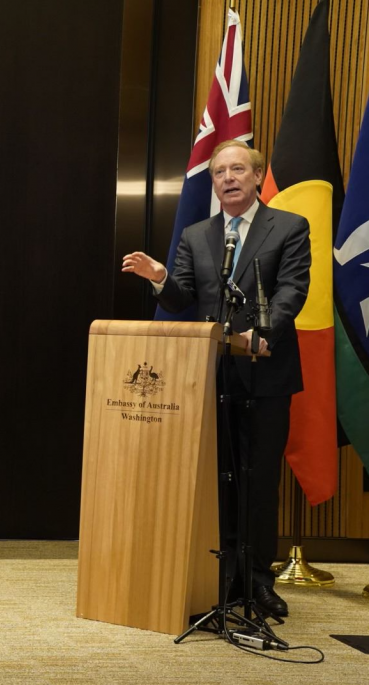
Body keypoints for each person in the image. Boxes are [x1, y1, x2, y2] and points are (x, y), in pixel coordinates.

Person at [121, 140, 311, 618]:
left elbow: (292, 288)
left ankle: (258, 581)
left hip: (265, 373)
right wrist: (162, 277)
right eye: (219, 172)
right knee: (217, 481)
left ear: (255, 176)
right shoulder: (196, 235)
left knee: (258, 478)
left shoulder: (288, 227)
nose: (227, 178)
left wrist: (261, 333)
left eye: (237, 170)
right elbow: (184, 298)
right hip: (208, 380)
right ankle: (221, 576)